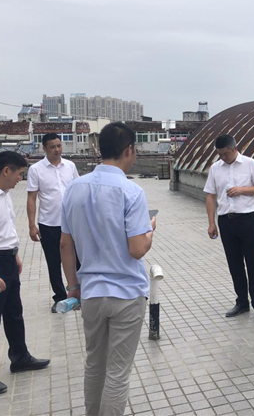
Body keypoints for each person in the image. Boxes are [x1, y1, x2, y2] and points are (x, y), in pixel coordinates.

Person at [60, 122, 155, 416]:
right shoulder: (132, 191)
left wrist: (73, 287)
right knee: (117, 373)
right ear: (129, 150)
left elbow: (65, 244)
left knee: (94, 365)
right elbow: (137, 248)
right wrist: (150, 230)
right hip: (126, 294)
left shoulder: (74, 188)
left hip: (91, 292)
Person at [0, 151, 50, 395]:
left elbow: (4, 231)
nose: (19, 179)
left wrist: (15, 256)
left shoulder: (3, 194)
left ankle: (20, 357)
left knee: (14, 312)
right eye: (19, 174)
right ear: (6, 170)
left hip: (7, 259)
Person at [204, 134, 254, 323]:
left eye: (226, 153)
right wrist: (211, 223)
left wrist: (242, 190)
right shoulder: (215, 168)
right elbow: (210, 196)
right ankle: (242, 302)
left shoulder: (250, 164)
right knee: (234, 263)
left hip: (247, 219)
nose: (223, 157)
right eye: (220, 154)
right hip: (226, 221)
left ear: (234, 149)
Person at [26, 132, 80, 313]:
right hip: (49, 223)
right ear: (44, 149)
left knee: (78, 258)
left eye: (59, 146)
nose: (57, 150)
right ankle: (60, 297)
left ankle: (80, 294)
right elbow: (32, 198)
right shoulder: (36, 169)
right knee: (53, 262)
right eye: (52, 147)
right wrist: (32, 225)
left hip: (72, 222)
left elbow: (78, 191)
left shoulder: (70, 166)